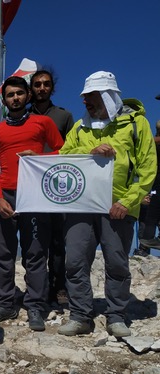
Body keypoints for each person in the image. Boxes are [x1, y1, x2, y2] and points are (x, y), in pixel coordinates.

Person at [58, 71, 157, 337]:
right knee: (76, 260)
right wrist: (88, 151)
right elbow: (64, 157)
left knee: (116, 263)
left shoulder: (137, 124)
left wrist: (128, 201)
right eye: (84, 96)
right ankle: (80, 315)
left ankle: (116, 316)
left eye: (91, 96)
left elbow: (148, 169)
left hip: (119, 207)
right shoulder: (80, 127)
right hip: (81, 205)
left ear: (108, 96)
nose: (85, 102)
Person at [0, 76, 64, 331]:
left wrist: (41, 156)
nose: (15, 98)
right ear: (5, 100)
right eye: (10, 95)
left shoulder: (43, 122)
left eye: (20, 93)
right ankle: (6, 302)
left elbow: (63, 151)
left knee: (35, 254)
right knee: (3, 253)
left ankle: (35, 306)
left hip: (35, 195)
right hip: (5, 196)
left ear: (28, 95)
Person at [29, 70, 75, 307]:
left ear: (52, 88)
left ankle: (59, 287)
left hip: (57, 185)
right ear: (31, 88)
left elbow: (71, 149)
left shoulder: (64, 116)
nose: (41, 88)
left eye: (46, 84)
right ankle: (37, 288)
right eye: (37, 84)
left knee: (58, 239)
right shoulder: (22, 116)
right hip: (29, 185)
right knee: (33, 239)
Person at [135, 119, 160, 254]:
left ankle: (144, 248)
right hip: (152, 181)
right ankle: (143, 248)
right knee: (147, 213)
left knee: (149, 214)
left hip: (153, 182)